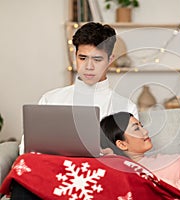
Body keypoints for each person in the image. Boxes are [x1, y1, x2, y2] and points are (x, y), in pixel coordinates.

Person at [19, 22, 138, 154]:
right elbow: (26, 148)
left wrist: (111, 156)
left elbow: (132, 157)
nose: (88, 66)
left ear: (110, 60)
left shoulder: (126, 107)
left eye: (97, 59)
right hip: (53, 169)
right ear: (75, 56)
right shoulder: (50, 99)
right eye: (82, 58)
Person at [100, 111, 180, 192]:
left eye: (141, 126)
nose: (145, 131)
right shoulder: (138, 173)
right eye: (137, 128)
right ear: (122, 144)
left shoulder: (153, 160)